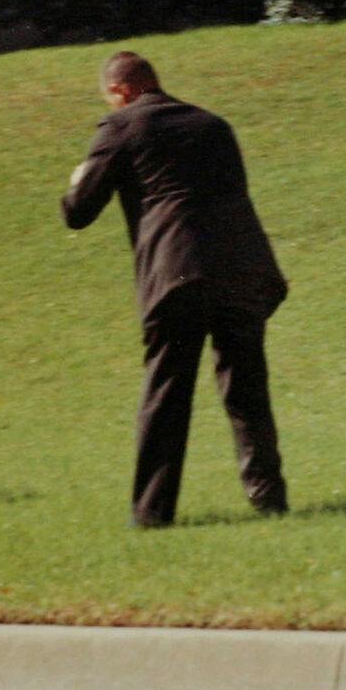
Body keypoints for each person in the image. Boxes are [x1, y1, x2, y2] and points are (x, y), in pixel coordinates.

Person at [61, 50, 289, 528]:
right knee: (247, 391)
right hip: (244, 268)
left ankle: (152, 515)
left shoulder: (121, 126)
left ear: (120, 91)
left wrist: (78, 178)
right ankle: (270, 502)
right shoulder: (214, 125)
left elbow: (78, 212)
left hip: (178, 274)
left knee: (166, 395)